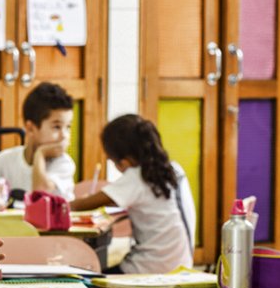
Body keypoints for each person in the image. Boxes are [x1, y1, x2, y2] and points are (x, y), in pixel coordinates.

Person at [69, 114, 196, 274]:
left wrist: (66, 203)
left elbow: (79, 206)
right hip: (183, 265)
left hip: (149, 269)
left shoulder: (137, 177)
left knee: (89, 277)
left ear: (125, 162)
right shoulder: (175, 170)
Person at [0, 82, 76, 197]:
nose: (65, 136)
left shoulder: (64, 164)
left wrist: (40, 153)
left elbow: (40, 192)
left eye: (68, 127)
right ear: (31, 128)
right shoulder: (6, 159)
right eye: (57, 127)